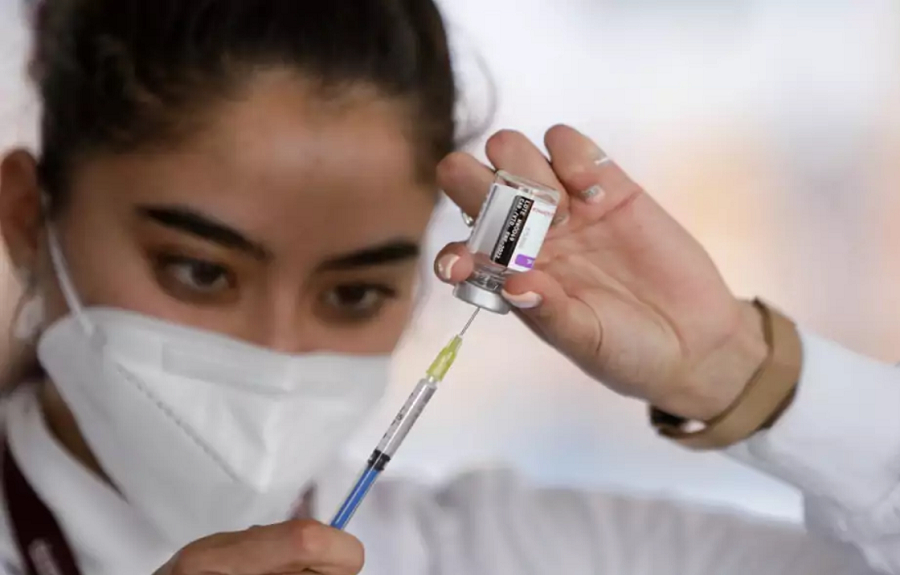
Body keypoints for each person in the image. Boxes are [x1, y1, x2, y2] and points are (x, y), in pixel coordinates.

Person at [0, 1, 896, 574]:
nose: (278, 351)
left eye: (354, 294)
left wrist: (737, 367)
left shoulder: (510, 553)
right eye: (200, 271)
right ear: (29, 218)